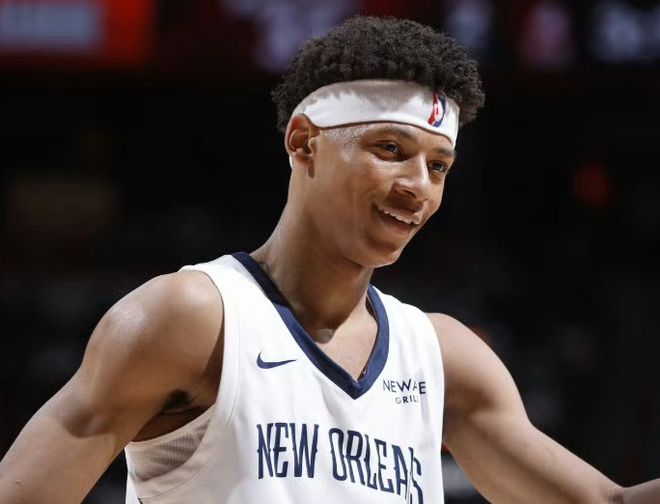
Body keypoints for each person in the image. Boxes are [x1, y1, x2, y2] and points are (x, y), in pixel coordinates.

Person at [0, 15, 658, 504]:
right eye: (390, 149)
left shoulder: (444, 358)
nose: (419, 186)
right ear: (303, 142)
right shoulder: (191, 318)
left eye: (439, 166)